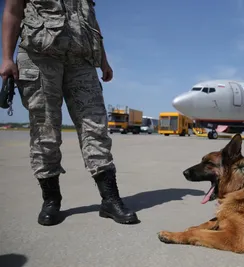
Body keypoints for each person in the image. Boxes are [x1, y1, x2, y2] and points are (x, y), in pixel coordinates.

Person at [0, 0, 140, 226]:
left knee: (96, 128)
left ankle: (110, 200)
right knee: (45, 131)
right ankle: (51, 200)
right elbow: (12, 11)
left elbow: (92, 22)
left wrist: (103, 60)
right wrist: (7, 58)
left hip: (81, 60)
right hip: (39, 57)